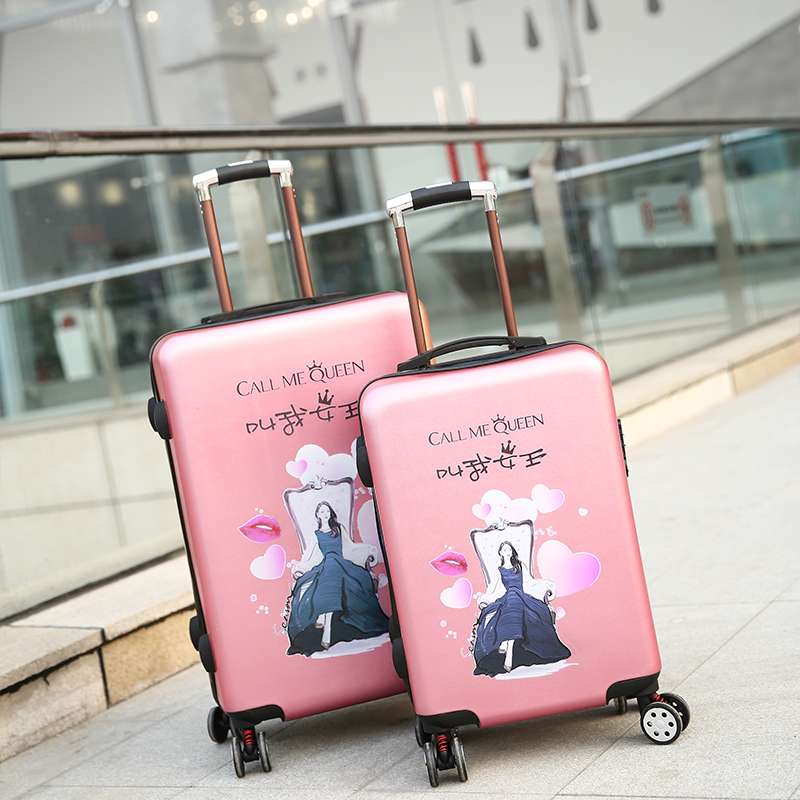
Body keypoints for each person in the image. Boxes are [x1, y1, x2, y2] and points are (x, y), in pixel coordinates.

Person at [285, 501, 388, 655]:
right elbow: (309, 555)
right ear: (318, 515)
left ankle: (323, 620)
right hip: (327, 564)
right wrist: (300, 565)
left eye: (327, 511)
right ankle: (326, 627)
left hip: (339, 563)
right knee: (330, 568)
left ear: (331, 513)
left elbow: (350, 546)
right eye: (322, 511)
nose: (325, 514)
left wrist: (367, 549)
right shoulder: (316, 534)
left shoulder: (338, 528)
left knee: (336, 567)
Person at [473, 541, 571, 676]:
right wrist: (484, 599)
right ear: (500, 553)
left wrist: (548, 584)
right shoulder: (499, 571)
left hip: (520, 596)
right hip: (509, 598)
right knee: (512, 598)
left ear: (512, 551)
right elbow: (493, 589)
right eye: (504, 550)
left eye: (509, 550)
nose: (507, 552)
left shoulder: (519, 566)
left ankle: (507, 646)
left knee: (515, 599)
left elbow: (530, 582)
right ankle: (508, 648)